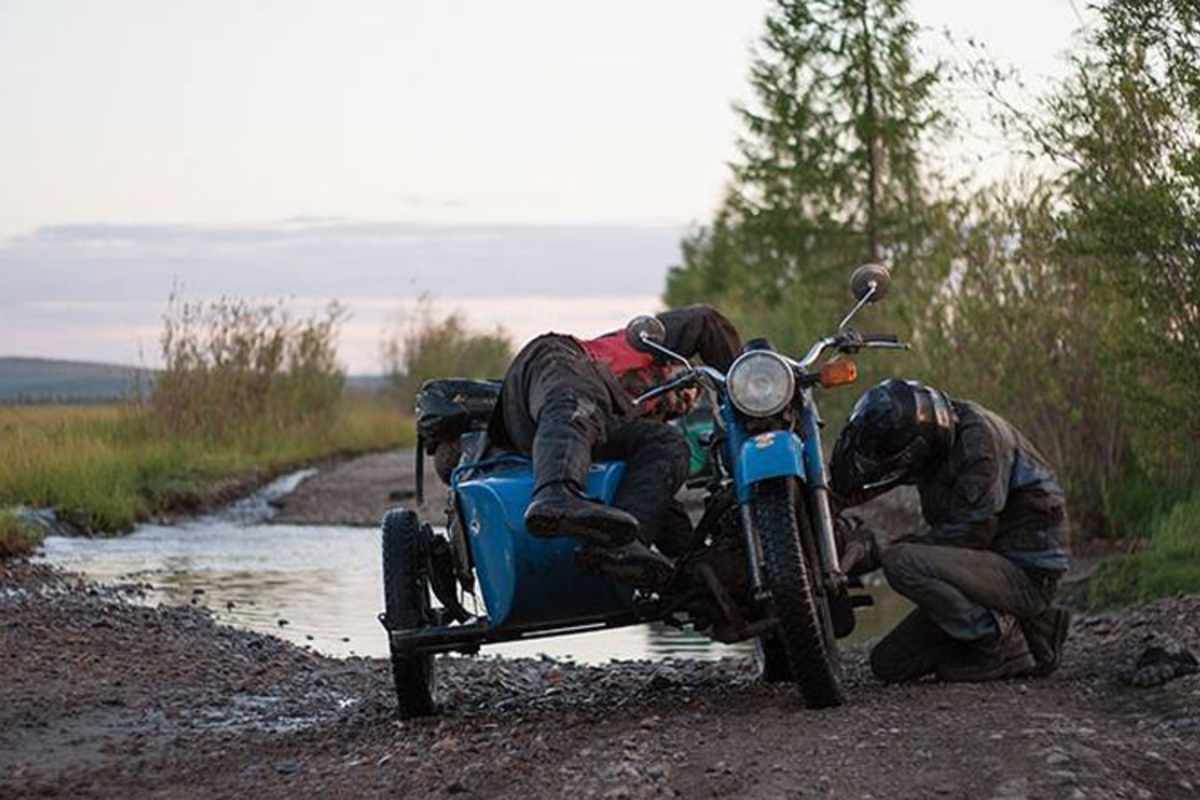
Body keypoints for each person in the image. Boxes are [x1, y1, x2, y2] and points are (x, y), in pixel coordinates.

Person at [829, 379, 1072, 683]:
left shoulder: (978, 444)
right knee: (889, 664)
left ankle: (1000, 645)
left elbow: (971, 535)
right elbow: (874, 479)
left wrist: (876, 549)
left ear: (916, 447)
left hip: (1025, 574)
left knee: (899, 561)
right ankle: (1037, 629)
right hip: (988, 569)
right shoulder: (932, 438)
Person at [488, 305, 742, 588]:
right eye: (685, 387)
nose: (682, 402)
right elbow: (705, 321)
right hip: (551, 368)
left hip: (563, 428)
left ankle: (623, 546)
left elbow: (654, 497)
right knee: (578, 401)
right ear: (672, 365)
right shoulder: (647, 346)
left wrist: (694, 560)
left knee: (669, 445)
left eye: (686, 405)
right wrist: (747, 386)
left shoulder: (624, 421)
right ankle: (555, 493)